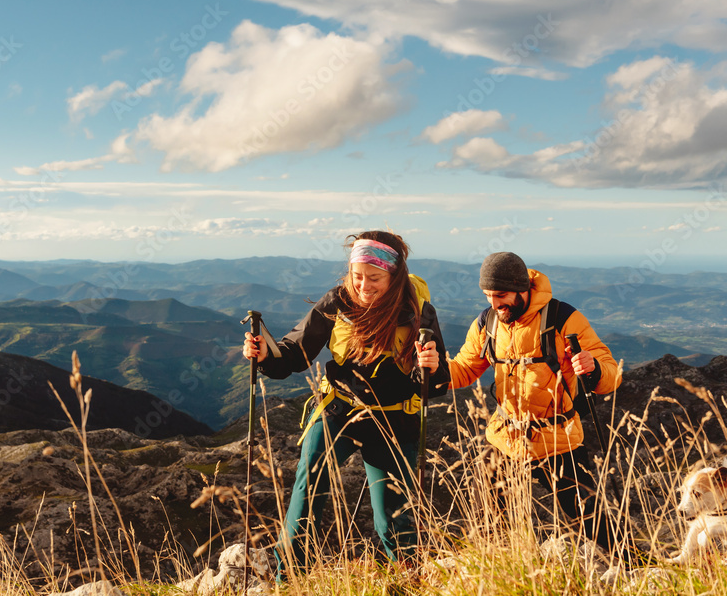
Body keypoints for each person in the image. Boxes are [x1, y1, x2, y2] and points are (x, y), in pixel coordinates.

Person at [243, 230, 450, 574]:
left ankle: (405, 575)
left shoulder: (418, 313)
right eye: (357, 276)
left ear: (395, 277)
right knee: (307, 490)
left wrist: (431, 368)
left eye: (374, 278)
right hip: (337, 409)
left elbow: (434, 383)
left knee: (392, 513)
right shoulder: (338, 301)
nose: (364, 286)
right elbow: (296, 352)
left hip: (393, 420)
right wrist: (265, 354)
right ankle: (290, 576)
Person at [447, 252, 624, 554]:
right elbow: (463, 369)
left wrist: (593, 367)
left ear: (521, 288)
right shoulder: (487, 323)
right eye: (488, 296)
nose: (494, 304)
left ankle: (636, 565)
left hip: (557, 438)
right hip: (505, 437)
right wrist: (433, 368)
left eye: (500, 295)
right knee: (485, 516)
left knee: (588, 515)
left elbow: (612, 375)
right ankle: (495, 572)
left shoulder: (562, 319)